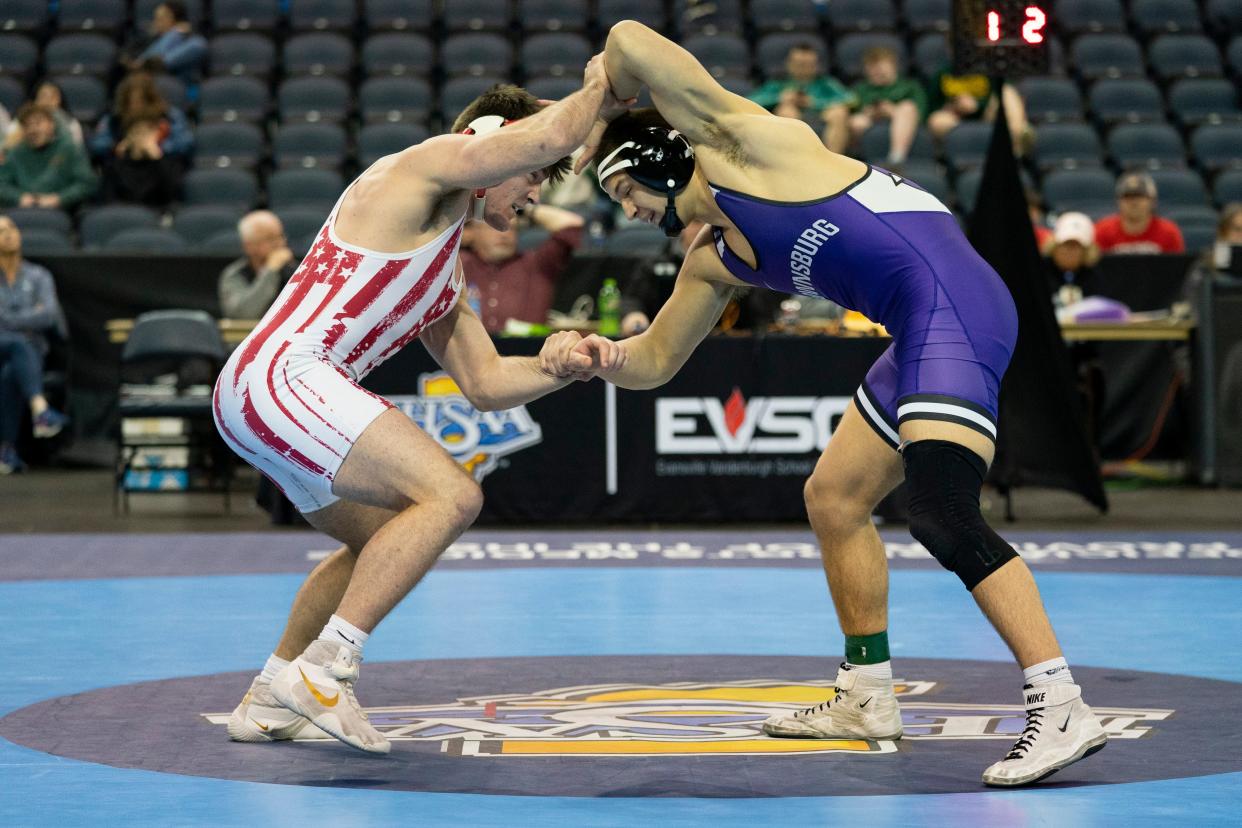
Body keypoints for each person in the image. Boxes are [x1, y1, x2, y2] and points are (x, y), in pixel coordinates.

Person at [549, 21, 1109, 787]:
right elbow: (653, 364)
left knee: (942, 511)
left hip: (957, 305)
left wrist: (587, 110)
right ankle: (867, 694)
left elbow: (629, 39)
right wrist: (601, 358)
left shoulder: (752, 146)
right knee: (834, 497)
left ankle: (1061, 701)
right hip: (920, 325)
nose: (628, 211)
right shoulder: (713, 258)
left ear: (659, 158)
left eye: (625, 191)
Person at [214, 73, 627, 755]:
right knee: (453, 494)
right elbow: (547, 132)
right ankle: (325, 673)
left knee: (377, 542)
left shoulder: (444, 272)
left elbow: (488, 383)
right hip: (284, 376)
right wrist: (602, 88)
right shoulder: (419, 170)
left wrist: (563, 367)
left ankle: (270, 692)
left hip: (262, 393)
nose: (535, 193)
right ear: (496, 149)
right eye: (533, 177)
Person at [0, 215, 69, 474]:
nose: (8, 234)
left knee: (10, 371)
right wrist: (29, 318)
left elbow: (49, 316)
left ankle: (6, 451)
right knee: (18, 344)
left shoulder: (39, 275)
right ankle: (40, 409)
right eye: (1, 230)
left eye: (12, 228)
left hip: (30, 352)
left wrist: (8, 319)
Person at [460, 203, 584, 333]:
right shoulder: (458, 264)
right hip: (470, 352)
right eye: (496, 227)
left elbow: (572, 224)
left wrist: (520, 208)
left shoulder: (538, 264)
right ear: (471, 233)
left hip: (529, 350)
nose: (504, 234)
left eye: (512, 228)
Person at [747, 43, 855, 154]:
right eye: (799, 64)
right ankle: (797, 160)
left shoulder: (825, 82)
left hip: (822, 117)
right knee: (786, 111)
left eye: (809, 65)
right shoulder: (778, 83)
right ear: (789, 64)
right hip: (793, 118)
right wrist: (780, 98)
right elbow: (751, 101)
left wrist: (814, 102)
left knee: (839, 112)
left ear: (816, 65)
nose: (804, 69)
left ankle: (833, 160)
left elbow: (850, 99)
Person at [0, 104, 97, 210]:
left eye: (38, 123)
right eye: (27, 125)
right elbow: (2, 184)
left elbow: (87, 183)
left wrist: (60, 198)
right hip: (22, 210)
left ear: (52, 124)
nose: (33, 130)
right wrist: (19, 197)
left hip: (64, 212)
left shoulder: (69, 148)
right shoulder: (16, 152)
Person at [90, 72, 193, 165]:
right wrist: (117, 147)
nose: (136, 107)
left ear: (151, 100)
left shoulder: (169, 116)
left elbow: (185, 143)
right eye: (131, 103)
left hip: (161, 168)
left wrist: (159, 146)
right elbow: (97, 145)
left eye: (140, 102)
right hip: (125, 169)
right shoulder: (114, 119)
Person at [925, 66, 1032, 154]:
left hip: (987, 116)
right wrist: (953, 106)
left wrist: (978, 105)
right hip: (955, 120)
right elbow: (931, 109)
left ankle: (1016, 139)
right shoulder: (943, 72)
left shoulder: (988, 68)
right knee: (936, 121)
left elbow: (998, 93)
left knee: (1007, 91)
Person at [848, 46, 926, 168]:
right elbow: (851, 114)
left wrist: (893, 112)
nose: (876, 71)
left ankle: (896, 159)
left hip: (904, 125)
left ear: (894, 66)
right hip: (868, 125)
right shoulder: (860, 89)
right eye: (871, 67)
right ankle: (856, 162)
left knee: (907, 107)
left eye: (880, 66)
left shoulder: (910, 86)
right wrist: (868, 113)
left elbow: (921, 115)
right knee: (856, 122)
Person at [217, 211, 298, 318]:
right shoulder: (234, 275)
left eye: (281, 236)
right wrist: (270, 270)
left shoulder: (296, 271)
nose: (279, 243)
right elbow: (243, 315)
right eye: (270, 239)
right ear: (248, 246)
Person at [99, 117, 183, 207]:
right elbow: (108, 200)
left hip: (158, 215)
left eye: (147, 132)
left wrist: (155, 154)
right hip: (124, 215)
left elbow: (172, 196)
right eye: (137, 132)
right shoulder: (115, 165)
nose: (141, 137)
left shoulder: (167, 164)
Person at [1094, 172, 1185, 255]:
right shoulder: (1102, 231)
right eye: (1128, 197)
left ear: (1153, 201)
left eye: (1140, 196)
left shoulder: (1169, 232)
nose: (1134, 202)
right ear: (1118, 202)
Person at [128, 0, 207, 90]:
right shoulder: (151, 39)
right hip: (154, 88)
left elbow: (199, 46)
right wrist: (173, 34)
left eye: (160, 19)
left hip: (184, 90)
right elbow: (137, 62)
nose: (155, 23)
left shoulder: (193, 40)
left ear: (173, 19)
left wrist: (175, 33)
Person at [4, 81, 85, 150]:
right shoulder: (19, 122)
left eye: (53, 97)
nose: (48, 101)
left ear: (60, 100)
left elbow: (76, 151)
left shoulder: (71, 123)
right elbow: (8, 146)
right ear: (35, 100)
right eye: (43, 96)